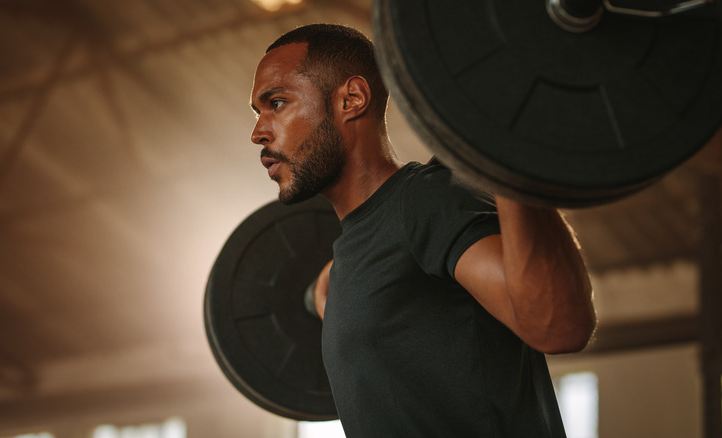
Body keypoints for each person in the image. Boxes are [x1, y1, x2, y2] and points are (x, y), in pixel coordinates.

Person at [250, 23, 596, 438]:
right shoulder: (349, 261)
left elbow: (559, 325)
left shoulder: (427, 202)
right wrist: (322, 290)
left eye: (277, 103)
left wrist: (506, 150)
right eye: (257, 113)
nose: (258, 133)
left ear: (352, 99)